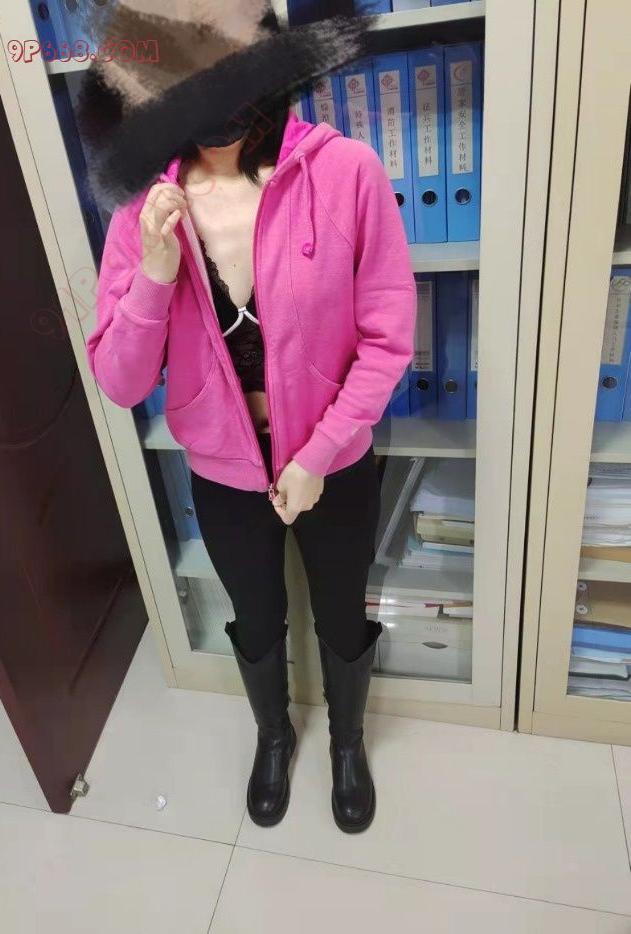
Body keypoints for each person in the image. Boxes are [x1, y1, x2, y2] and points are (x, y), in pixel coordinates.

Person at [86, 92, 416, 832]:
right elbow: (121, 381)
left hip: (333, 462)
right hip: (224, 469)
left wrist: (319, 454)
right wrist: (156, 271)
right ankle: (274, 735)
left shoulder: (345, 171)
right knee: (258, 616)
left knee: (342, 611)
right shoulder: (143, 207)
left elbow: (388, 336)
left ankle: (347, 742)